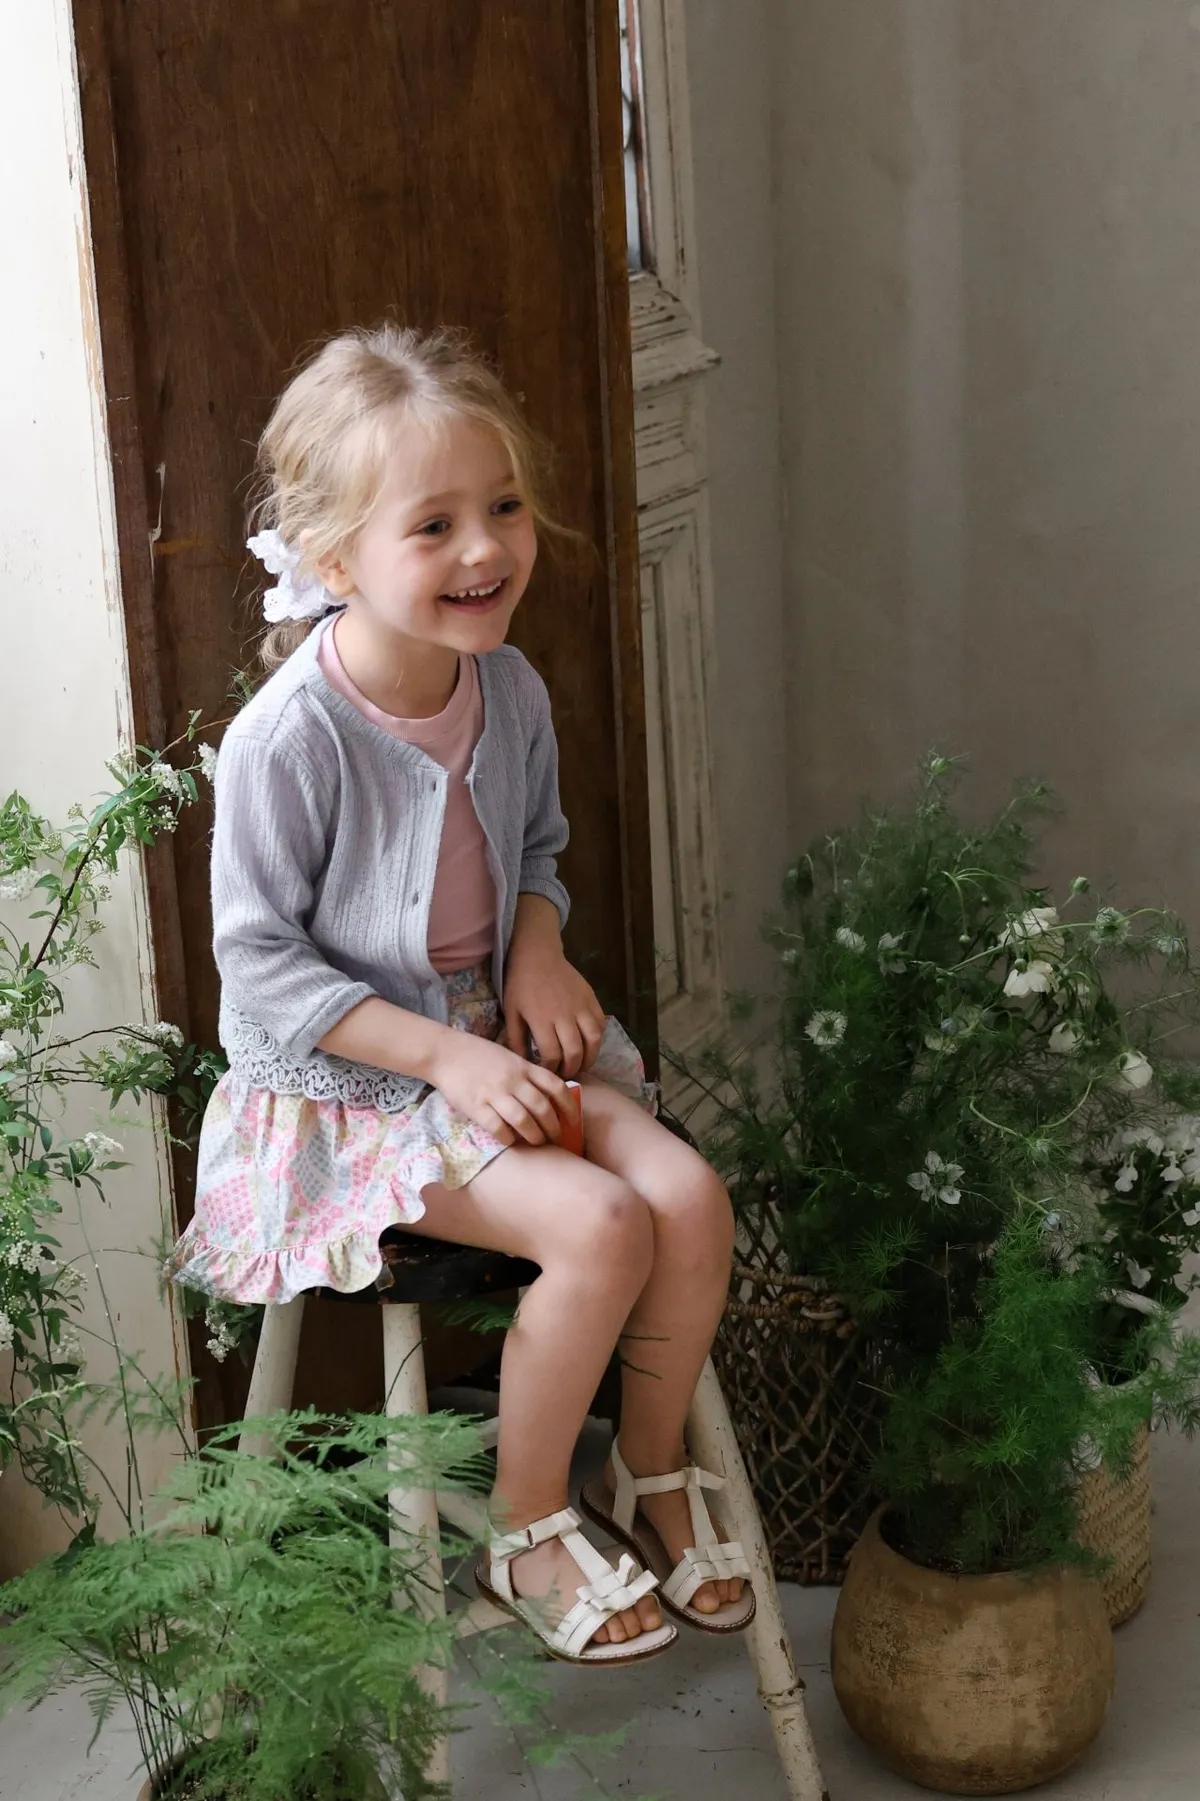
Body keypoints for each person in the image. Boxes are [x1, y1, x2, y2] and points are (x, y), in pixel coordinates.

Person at [169, 324, 752, 1665]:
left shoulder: (509, 688)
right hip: (349, 1092)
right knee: (601, 1224)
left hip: (490, 1036)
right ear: (336, 560)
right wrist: (445, 1059)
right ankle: (526, 1524)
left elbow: (536, 850)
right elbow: (260, 970)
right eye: (433, 525)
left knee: (688, 1197)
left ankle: (645, 1471)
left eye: (503, 508)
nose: (484, 549)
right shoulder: (289, 740)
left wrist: (537, 949)